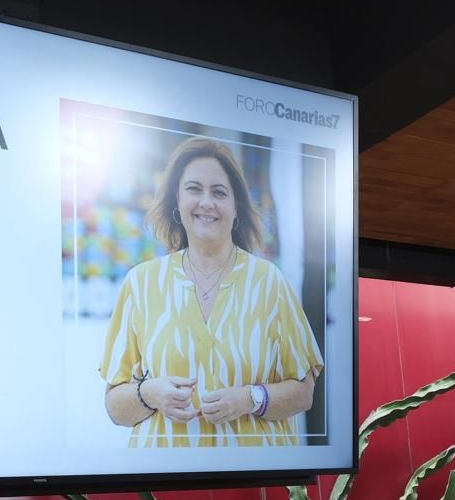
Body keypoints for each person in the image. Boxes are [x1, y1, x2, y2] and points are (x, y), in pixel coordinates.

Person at [99, 136, 324, 448]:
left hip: (256, 483)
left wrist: (250, 399)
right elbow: (115, 406)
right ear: (177, 202)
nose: (206, 202)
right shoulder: (140, 283)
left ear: (236, 209)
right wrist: (149, 394)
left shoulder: (269, 282)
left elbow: (304, 392)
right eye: (194, 189)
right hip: (164, 484)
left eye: (219, 192)